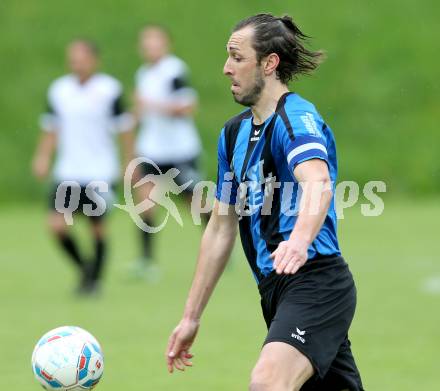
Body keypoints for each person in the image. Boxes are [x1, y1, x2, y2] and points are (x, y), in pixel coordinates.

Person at [166, 14, 364, 391]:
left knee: (268, 382)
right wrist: (191, 316)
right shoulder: (233, 134)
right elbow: (221, 228)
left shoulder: (296, 118)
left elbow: (317, 182)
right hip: (274, 292)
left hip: (316, 282)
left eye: (237, 57)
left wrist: (300, 241)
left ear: (269, 63)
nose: (226, 69)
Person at [32, 39, 134, 295]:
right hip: (67, 171)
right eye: (72, 58)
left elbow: (125, 129)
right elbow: (51, 127)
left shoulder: (109, 90)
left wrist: (129, 162)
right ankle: (86, 269)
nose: (76, 62)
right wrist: (43, 156)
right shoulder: (60, 90)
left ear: (94, 60)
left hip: (99, 171)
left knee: (96, 227)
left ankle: (93, 281)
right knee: (56, 225)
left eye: (81, 57)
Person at [132, 25, 205, 277]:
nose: (150, 47)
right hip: (152, 150)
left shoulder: (174, 70)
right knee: (145, 204)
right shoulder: (143, 73)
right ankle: (146, 261)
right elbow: (143, 113)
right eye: (146, 42)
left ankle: (220, 247)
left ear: (166, 44)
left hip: (179, 150)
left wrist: (151, 105)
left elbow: (186, 107)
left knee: (195, 204)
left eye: (155, 42)